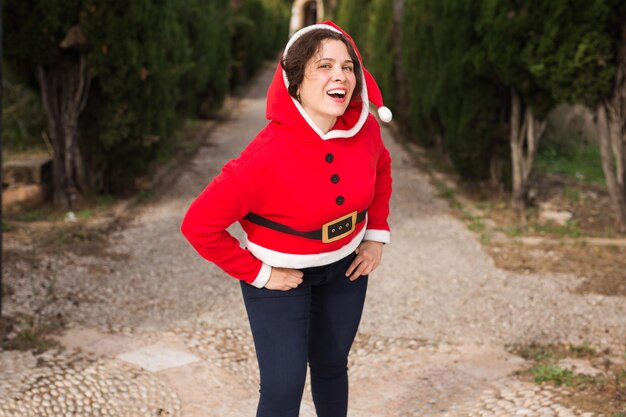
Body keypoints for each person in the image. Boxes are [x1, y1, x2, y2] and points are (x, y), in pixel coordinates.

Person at [181, 20, 392, 417]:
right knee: (283, 387)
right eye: (324, 66)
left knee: (331, 368)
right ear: (294, 80)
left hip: (346, 269)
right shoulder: (265, 156)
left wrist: (376, 234)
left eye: (348, 67)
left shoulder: (364, 132)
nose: (340, 76)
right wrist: (260, 273)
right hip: (281, 278)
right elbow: (198, 225)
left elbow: (382, 168)